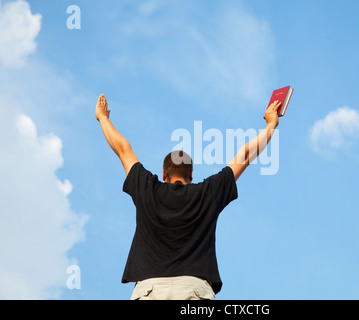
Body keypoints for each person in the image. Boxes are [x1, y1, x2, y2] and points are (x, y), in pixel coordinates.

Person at [95, 94, 281, 300]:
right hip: (195, 290)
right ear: (191, 175)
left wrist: (103, 118)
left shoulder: (147, 187)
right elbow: (244, 156)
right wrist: (270, 125)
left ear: (164, 174)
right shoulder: (207, 193)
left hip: (150, 290)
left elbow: (123, 149)